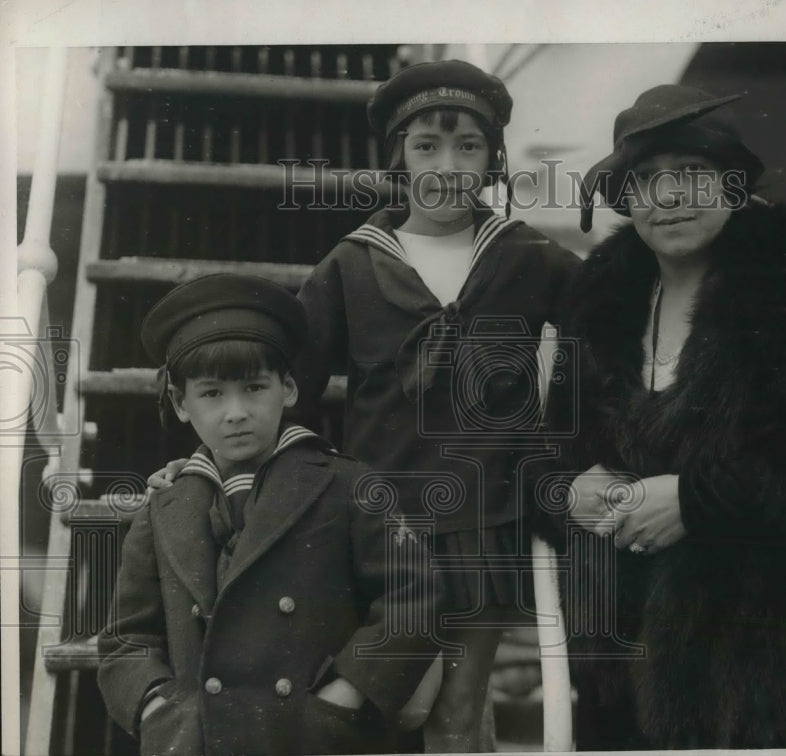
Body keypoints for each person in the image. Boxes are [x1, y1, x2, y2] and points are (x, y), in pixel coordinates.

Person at [147, 60, 579, 752]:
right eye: (426, 146)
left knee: (459, 715)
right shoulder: (353, 264)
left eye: (468, 146)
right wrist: (204, 465)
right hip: (377, 525)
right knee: (374, 704)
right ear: (398, 157)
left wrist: (563, 455)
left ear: (493, 158)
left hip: (485, 518)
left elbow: (607, 345)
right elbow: (288, 391)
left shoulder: (532, 258)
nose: (447, 166)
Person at [535, 85, 786, 749]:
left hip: (777, 685)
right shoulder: (593, 303)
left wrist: (699, 498)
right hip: (619, 678)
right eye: (647, 181)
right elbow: (542, 460)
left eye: (691, 175)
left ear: (734, 187)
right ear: (625, 198)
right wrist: (566, 492)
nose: (670, 197)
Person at [99, 274, 442, 756]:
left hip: (315, 736)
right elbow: (127, 638)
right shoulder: (164, 506)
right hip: (197, 740)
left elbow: (413, 598)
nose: (236, 412)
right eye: (212, 394)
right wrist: (158, 708)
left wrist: (345, 695)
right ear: (180, 404)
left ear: (289, 388)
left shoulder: (346, 486)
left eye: (255, 387)